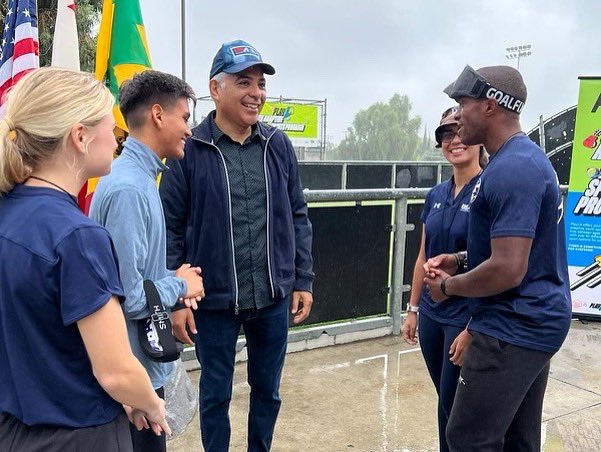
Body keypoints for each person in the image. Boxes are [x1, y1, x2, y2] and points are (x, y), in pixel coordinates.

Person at [0, 67, 170, 451]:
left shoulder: (9, 213)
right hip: (77, 435)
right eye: (110, 126)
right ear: (79, 136)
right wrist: (152, 402)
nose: (117, 137)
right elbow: (116, 372)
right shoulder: (77, 237)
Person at [160, 39, 315, 452]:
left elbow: (298, 214)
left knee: (268, 391)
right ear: (215, 88)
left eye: (260, 84)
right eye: (245, 82)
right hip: (212, 302)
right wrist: (176, 301)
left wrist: (302, 279)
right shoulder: (189, 149)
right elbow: (170, 229)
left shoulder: (276, 145)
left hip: (271, 297)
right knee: (215, 396)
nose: (257, 93)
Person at [424, 65, 572, 452]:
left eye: (462, 104)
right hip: (531, 322)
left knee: (469, 438)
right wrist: (460, 258)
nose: (456, 116)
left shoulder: (512, 168)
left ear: (489, 106)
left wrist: (446, 287)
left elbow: (508, 268)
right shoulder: (515, 162)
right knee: (516, 440)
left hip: (513, 326)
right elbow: (516, 249)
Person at [89, 70, 204, 452]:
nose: (189, 129)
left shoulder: (138, 179)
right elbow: (131, 296)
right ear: (158, 115)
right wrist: (180, 285)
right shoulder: (130, 190)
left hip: (134, 370)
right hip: (132, 376)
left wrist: (171, 276)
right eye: (184, 118)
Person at [401, 105, 486, 452]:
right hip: (433, 317)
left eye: (461, 131)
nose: (455, 140)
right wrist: (412, 308)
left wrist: (475, 326)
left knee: (457, 407)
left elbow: (497, 262)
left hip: (465, 314)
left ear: (478, 138)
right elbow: (423, 255)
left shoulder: (490, 189)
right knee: (444, 400)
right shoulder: (435, 195)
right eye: (446, 135)